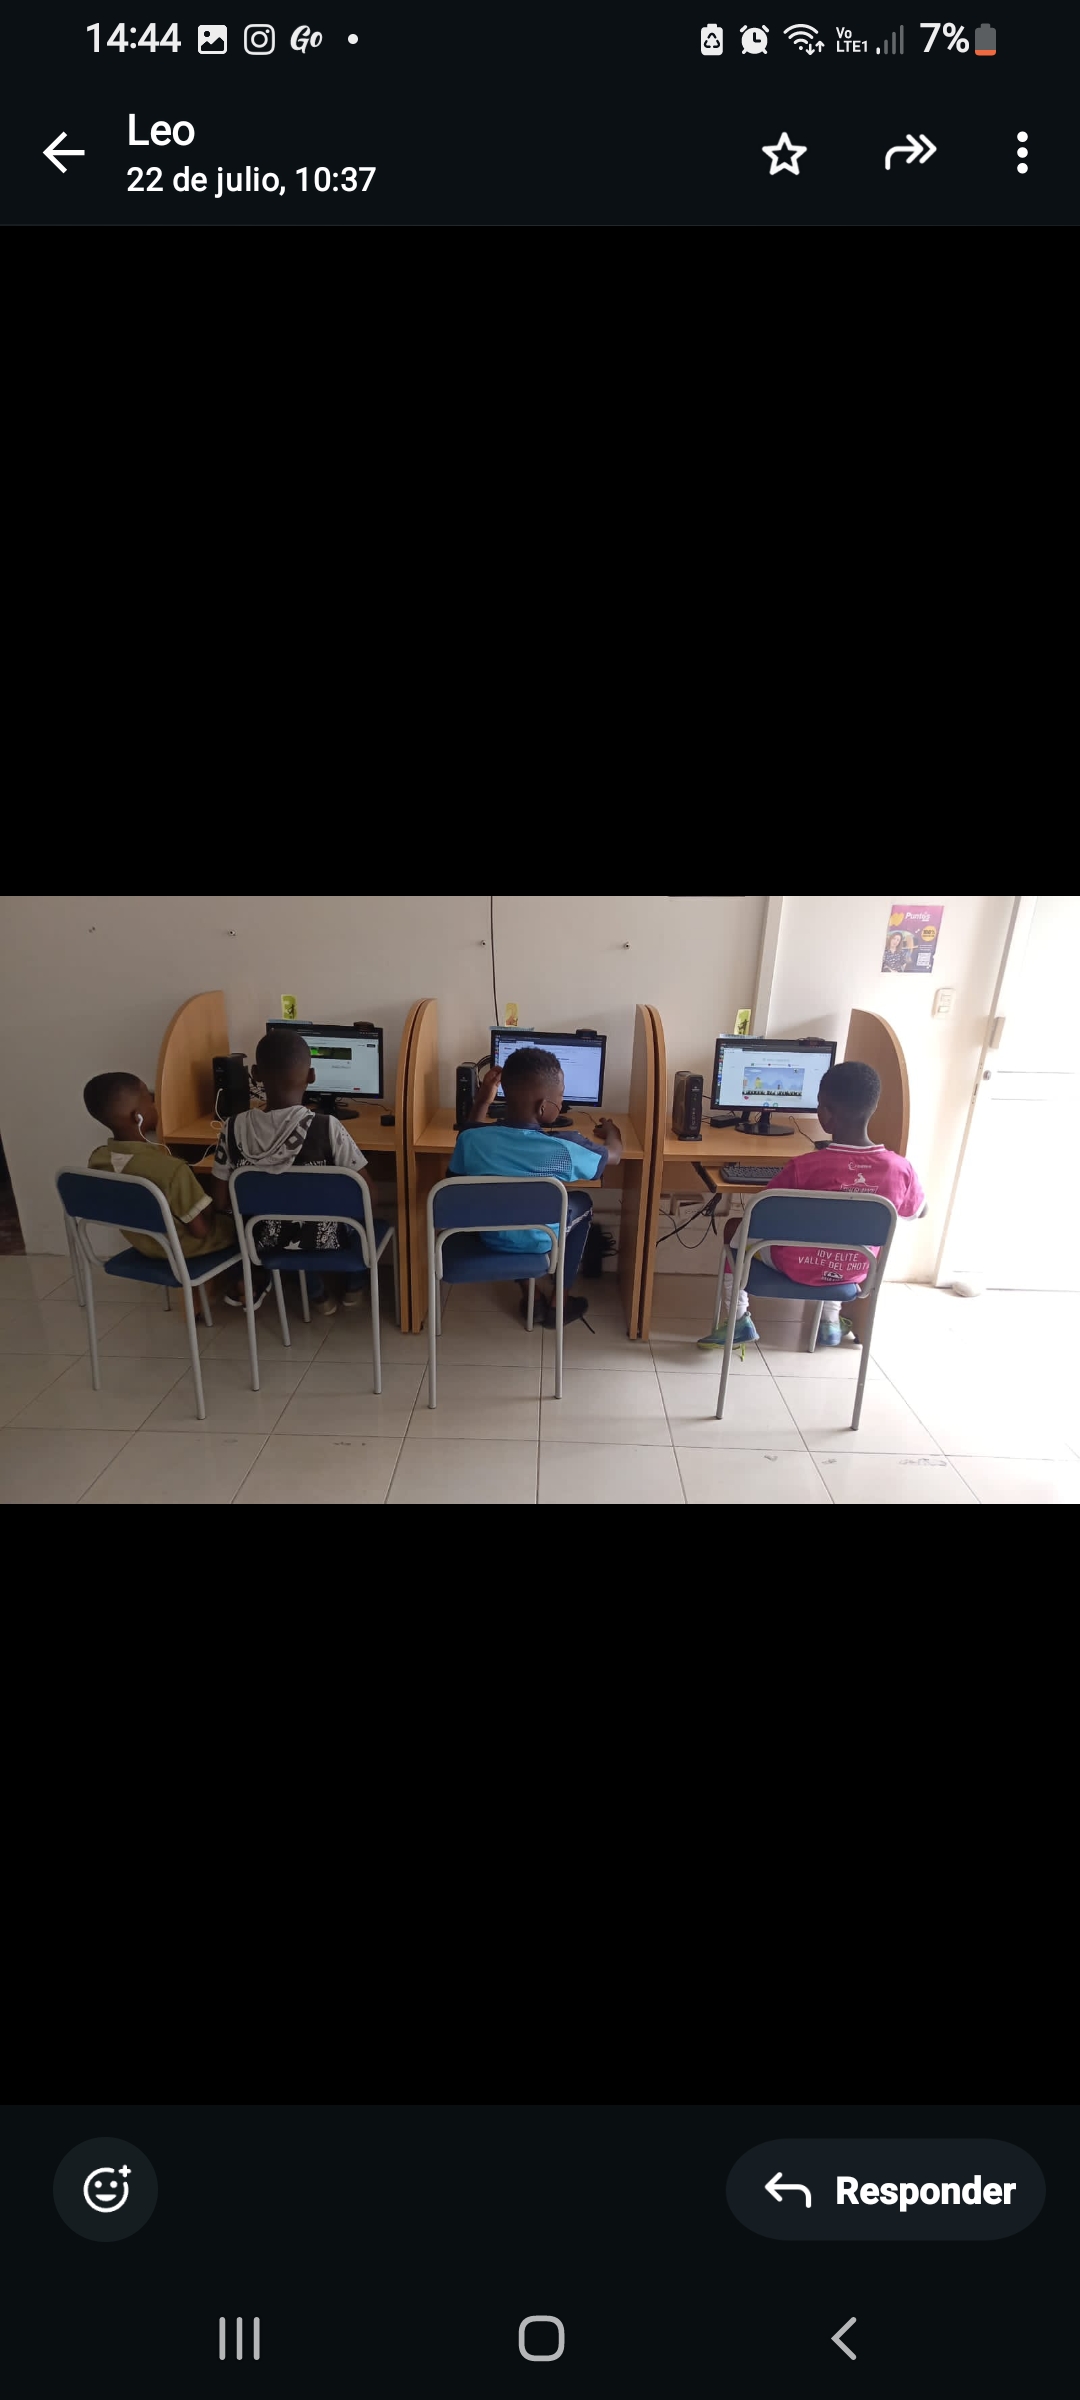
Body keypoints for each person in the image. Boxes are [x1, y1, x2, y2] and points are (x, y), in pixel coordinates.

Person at [699, 1059, 926, 1349]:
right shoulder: (899, 1169)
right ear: (873, 1108)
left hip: (796, 1266)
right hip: (856, 1271)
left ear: (825, 1114)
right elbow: (919, 1211)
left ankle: (738, 1319)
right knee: (844, 1239)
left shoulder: (804, 1167)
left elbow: (760, 1214)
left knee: (735, 1228)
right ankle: (830, 1322)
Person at [448, 1046, 622, 1328]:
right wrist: (613, 1131)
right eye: (560, 1096)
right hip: (541, 1240)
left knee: (508, 1203)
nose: (562, 1102)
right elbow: (614, 1155)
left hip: (490, 1235)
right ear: (543, 1106)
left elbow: (455, 1175)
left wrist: (481, 1102)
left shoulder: (472, 1140)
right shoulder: (565, 1147)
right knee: (583, 1202)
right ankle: (559, 1302)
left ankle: (532, 1294)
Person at [212, 1028, 369, 1318]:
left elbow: (221, 1201)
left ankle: (316, 1293)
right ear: (312, 1076)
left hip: (262, 1239)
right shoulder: (327, 1127)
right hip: (326, 1237)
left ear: (255, 1074)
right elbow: (365, 1194)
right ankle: (354, 1284)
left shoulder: (232, 1128)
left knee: (285, 1220)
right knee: (363, 1214)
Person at [84, 1072, 237, 1313]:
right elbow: (201, 1231)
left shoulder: (97, 1160)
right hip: (183, 1248)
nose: (155, 1102)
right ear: (137, 1116)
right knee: (247, 1219)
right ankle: (245, 1285)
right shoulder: (170, 1170)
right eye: (150, 1098)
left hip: (145, 1243)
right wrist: (214, 1208)